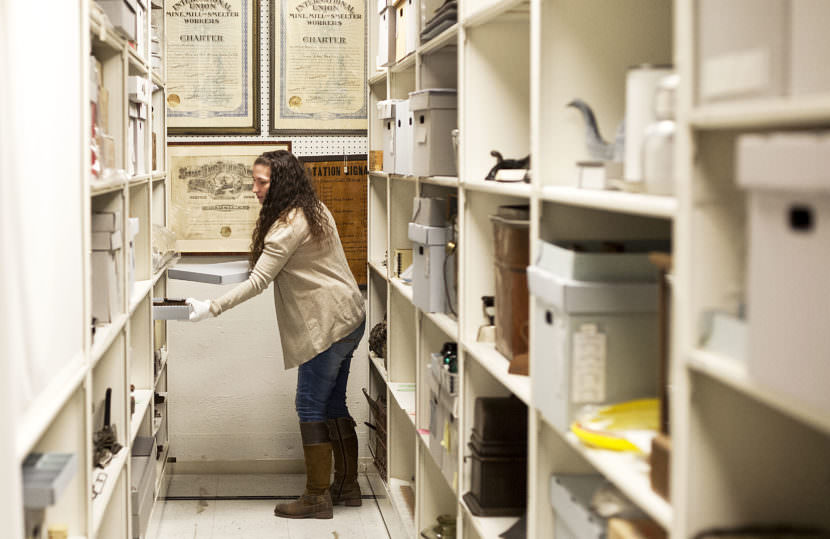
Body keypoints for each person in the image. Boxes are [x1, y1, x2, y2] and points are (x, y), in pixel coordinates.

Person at [185, 150, 366, 520]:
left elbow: (258, 282)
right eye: (255, 180)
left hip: (326, 324)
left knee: (309, 406)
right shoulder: (312, 208)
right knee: (334, 405)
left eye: (262, 182)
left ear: (280, 182)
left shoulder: (287, 227)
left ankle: (317, 497)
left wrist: (211, 307)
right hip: (350, 317)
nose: (254, 189)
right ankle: (347, 486)